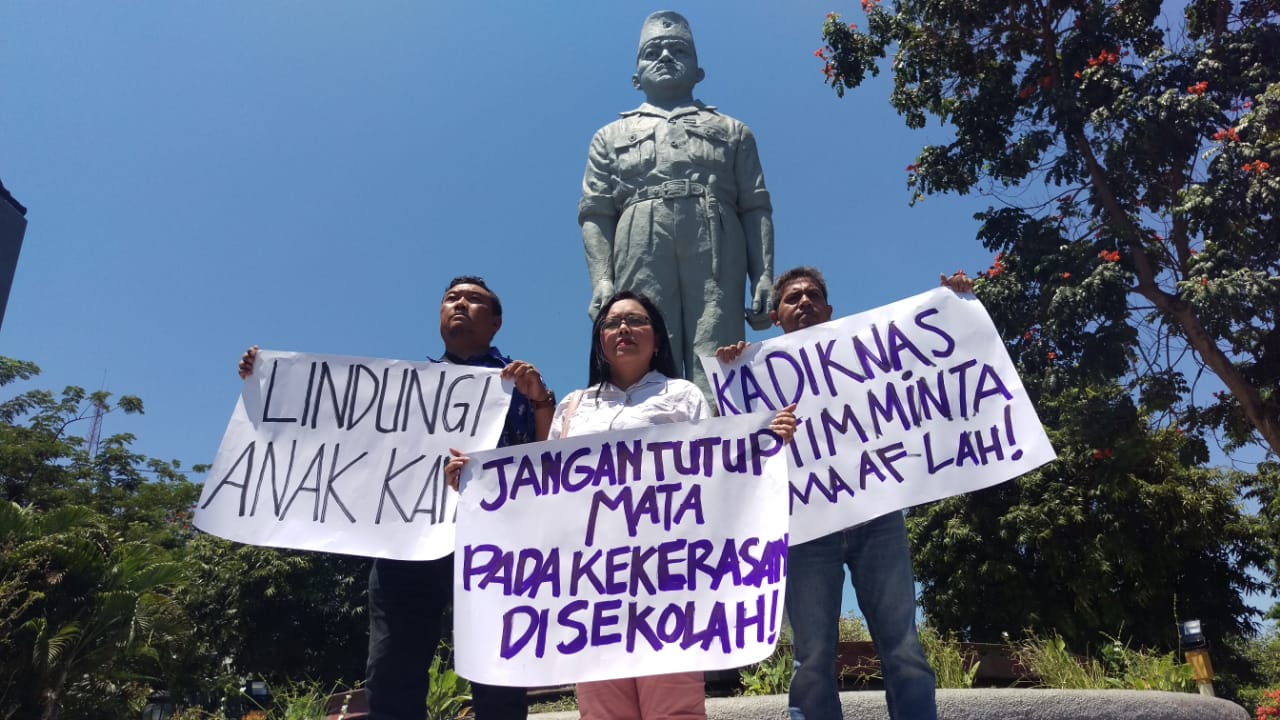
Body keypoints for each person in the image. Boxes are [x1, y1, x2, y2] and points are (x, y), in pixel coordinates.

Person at [447, 290, 797, 720]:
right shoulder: (574, 406)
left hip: (668, 581)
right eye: (612, 324)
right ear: (600, 342)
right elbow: (538, 485)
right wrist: (478, 478)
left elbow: (718, 471)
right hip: (590, 590)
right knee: (602, 712)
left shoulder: (684, 395)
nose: (624, 330)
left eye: (636, 321)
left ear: (656, 339)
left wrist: (764, 439)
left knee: (674, 708)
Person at [238, 276, 554, 720]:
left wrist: (542, 404)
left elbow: (547, 467)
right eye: (451, 298)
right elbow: (324, 425)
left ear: (496, 322)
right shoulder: (399, 391)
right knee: (390, 673)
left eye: (474, 300)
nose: (460, 304)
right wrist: (270, 380)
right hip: (407, 545)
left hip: (491, 547)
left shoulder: (522, 386)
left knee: (497, 674)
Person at [716, 268, 974, 720]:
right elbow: (738, 447)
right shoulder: (752, 376)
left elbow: (932, 366)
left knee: (903, 647)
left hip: (877, 519)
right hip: (805, 527)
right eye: (793, 298)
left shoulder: (866, 356)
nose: (803, 302)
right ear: (776, 316)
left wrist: (956, 306)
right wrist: (735, 371)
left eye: (813, 295)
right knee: (812, 658)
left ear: (829, 310)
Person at [578, 10, 775, 397]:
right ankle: (655, 444)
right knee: (646, 343)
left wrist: (764, 273)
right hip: (638, 237)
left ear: (699, 70)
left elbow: (754, 205)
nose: (666, 56)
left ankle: (721, 443)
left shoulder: (733, 131)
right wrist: (601, 279)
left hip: (717, 237)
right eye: (653, 51)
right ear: (636, 76)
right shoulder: (608, 136)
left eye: (679, 49)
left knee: (718, 348)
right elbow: (596, 212)